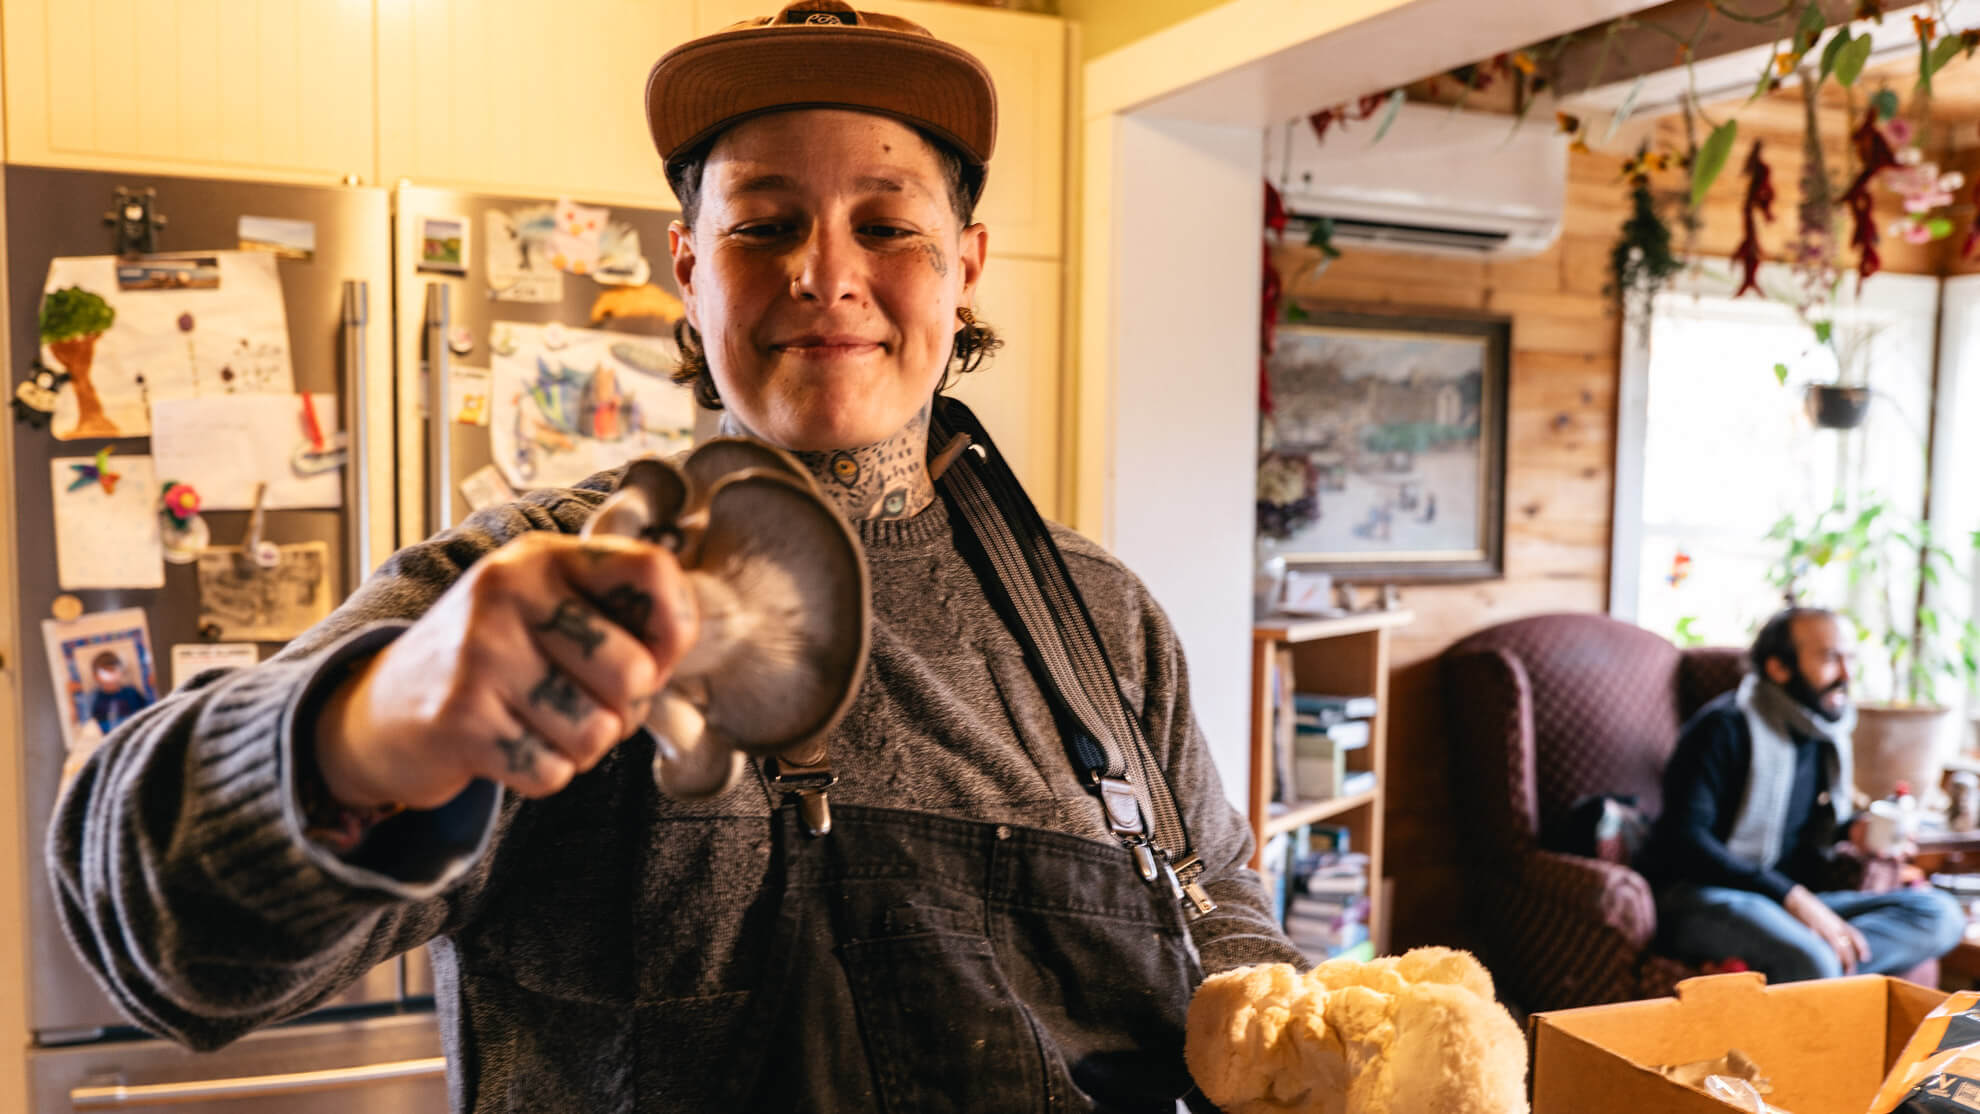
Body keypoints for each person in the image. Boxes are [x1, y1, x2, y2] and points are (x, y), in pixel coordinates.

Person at [47, 4, 1302, 1111]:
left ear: (964, 271)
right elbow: (147, 918)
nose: (824, 273)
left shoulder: (1101, 622)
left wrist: (1321, 1042)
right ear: (689, 270)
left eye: (888, 226)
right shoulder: (547, 588)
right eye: (763, 226)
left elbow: (1222, 919)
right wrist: (374, 725)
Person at [1642, 605, 1965, 984]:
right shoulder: (1720, 729)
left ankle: (1807, 966)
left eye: (1850, 659)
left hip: (1785, 901)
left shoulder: (1819, 736)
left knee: (1941, 915)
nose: (1846, 675)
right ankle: (1812, 964)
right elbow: (1686, 842)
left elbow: (1807, 829)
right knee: (1812, 960)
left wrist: (1851, 833)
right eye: (1830, 659)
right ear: (1779, 668)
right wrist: (1793, 899)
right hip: (1702, 898)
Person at [84, 650, 148, 733]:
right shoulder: (93, 698)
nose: (109, 676)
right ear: (95, 676)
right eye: (105, 672)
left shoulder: (131, 692)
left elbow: (147, 712)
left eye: (112, 670)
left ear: (121, 672)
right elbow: (84, 722)